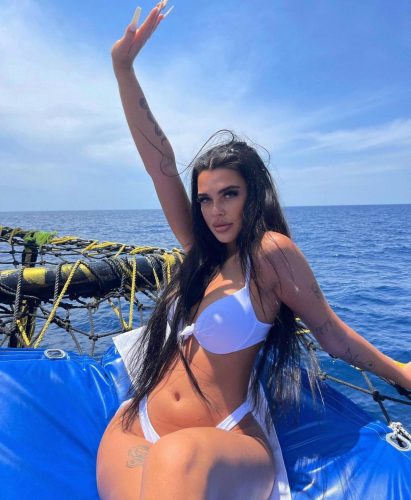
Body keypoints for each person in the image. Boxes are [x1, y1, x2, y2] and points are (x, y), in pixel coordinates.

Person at [96, 3, 411, 499]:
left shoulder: (270, 255)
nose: (215, 210)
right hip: (140, 427)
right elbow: (161, 166)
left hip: (220, 440)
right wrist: (123, 68)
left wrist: (401, 373)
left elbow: (331, 333)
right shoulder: (199, 250)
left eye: (229, 194)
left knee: (176, 459)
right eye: (205, 199)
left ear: (253, 195)